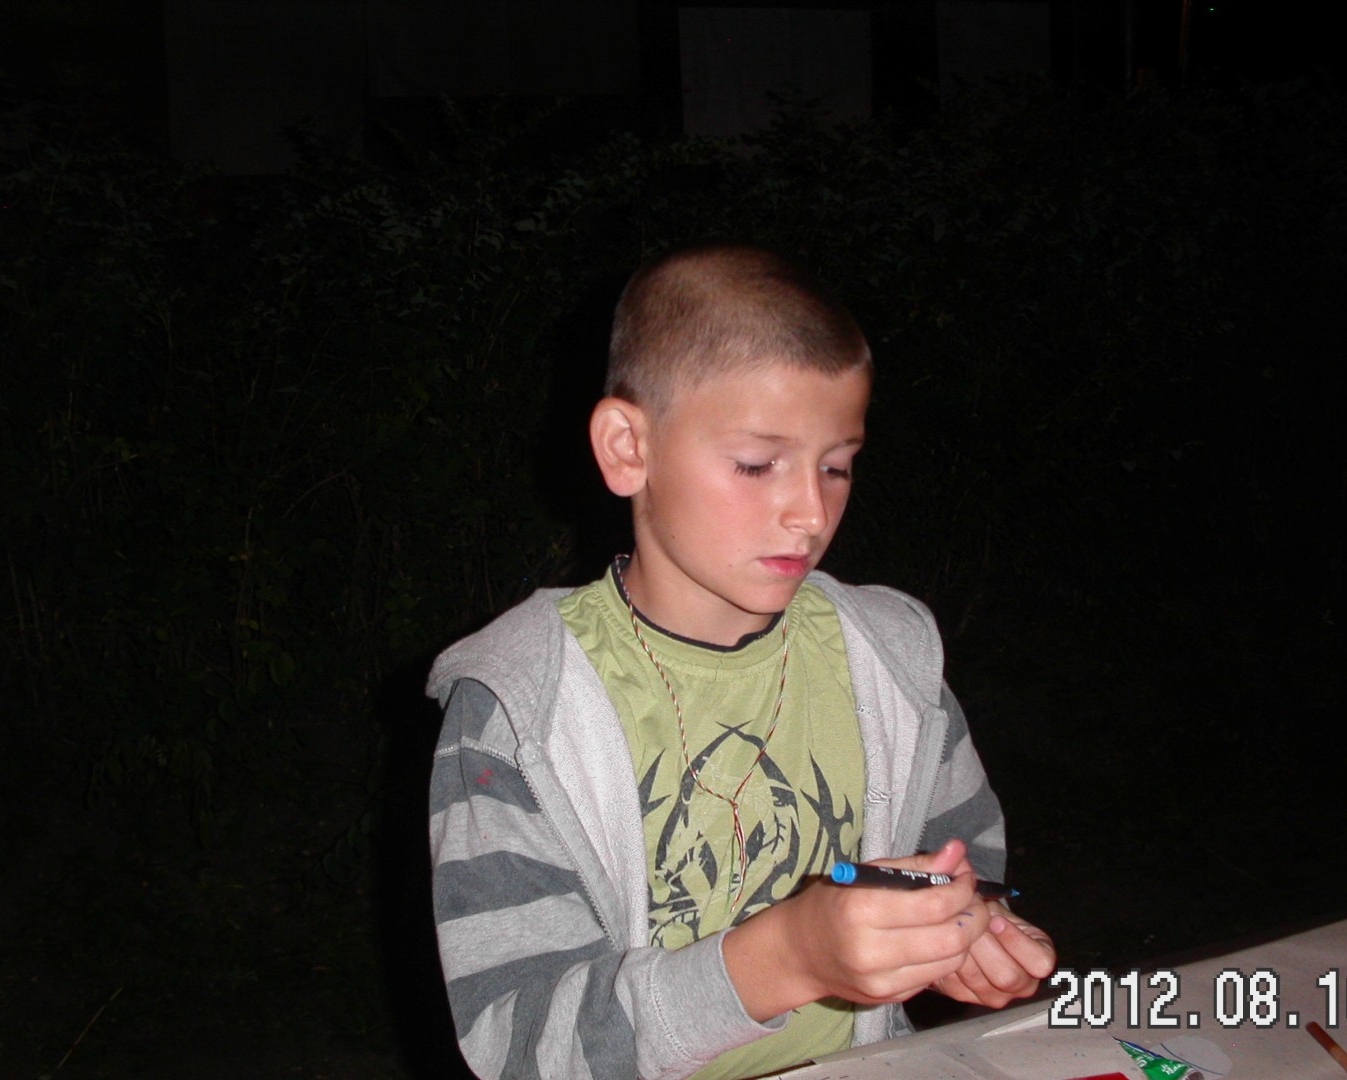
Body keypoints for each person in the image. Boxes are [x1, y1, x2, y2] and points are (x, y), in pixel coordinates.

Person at [426, 243, 1056, 1080]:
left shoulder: (889, 660)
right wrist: (786, 957)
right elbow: (517, 1045)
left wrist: (968, 930)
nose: (810, 513)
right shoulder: (520, 711)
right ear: (627, 448)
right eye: (758, 465)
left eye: (837, 466)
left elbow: (964, 858)